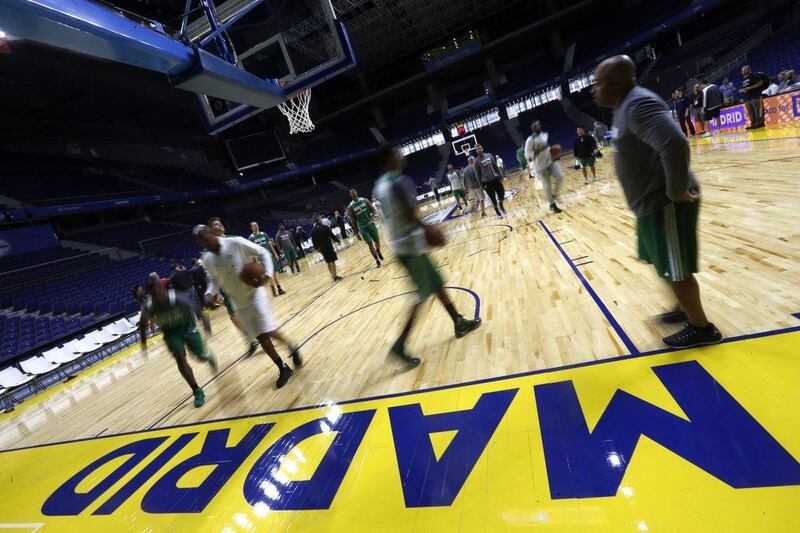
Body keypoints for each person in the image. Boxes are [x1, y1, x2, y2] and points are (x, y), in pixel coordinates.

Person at [592, 54, 723, 348]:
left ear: (617, 83)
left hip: (665, 204)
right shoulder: (624, 106)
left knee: (676, 269)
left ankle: (701, 328)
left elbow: (675, 142)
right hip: (650, 206)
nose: (593, 89)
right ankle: (682, 307)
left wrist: (676, 191)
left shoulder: (637, 104)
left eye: (598, 83)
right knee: (662, 263)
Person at [372, 144, 482, 365]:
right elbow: (411, 216)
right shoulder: (399, 182)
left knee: (436, 283)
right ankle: (399, 345)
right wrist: (431, 231)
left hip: (398, 245)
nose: (402, 155)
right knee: (420, 296)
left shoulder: (379, 185)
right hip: (410, 246)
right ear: (391, 157)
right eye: (397, 152)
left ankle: (458, 322)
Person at [195, 225, 302, 388]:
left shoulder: (235, 242)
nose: (205, 243)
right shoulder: (208, 259)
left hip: (255, 294)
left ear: (212, 234)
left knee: (267, 330)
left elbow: (263, 252)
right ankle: (283, 367)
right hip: (238, 302)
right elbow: (215, 280)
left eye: (206, 238)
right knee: (260, 336)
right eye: (202, 242)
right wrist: (209, 294)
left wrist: (266, 274)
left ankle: (290, 345)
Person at [138, 273, 218, 408]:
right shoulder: (148, 306)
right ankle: (197, 390)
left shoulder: (177, 297)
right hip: (171, 333)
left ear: (164, 291)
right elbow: (143, 325)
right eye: (154, 296)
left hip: (188, 327)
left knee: (200, 357)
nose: (158, 298)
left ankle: (207, 357)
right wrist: (144, 344)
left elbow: (197, 310)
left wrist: (206, 324)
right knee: (180, 358)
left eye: (159, 294)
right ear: (151, 296)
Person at [207, 217, 258, 358]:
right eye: (214, 226)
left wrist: (255, 271)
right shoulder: (210, 250)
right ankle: (250, 340)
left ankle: (265, 332)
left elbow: (251, 255)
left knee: (252, 311)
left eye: (219, 224)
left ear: (222, 227)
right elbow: (213, 275)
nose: (217, 227)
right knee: (233, 317)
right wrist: (214, 292)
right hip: (228, 288)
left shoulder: (234, 239)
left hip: (244, 283)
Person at [525, 120, 564, 213]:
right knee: (547, 185)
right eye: (535, 125)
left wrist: (556, 154)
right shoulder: (530, 140)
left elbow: (548, 147)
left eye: (538, 124)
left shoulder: (545, 134)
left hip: (550, 160)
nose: (537, 126)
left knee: (560, 176)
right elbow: (528, 155)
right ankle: (552, 204)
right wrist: (537, 151)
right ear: (532, 128)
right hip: (540, 165)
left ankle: (555, 194)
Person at [347, 188, 384, 268]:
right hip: (362, 228)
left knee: (377, 241)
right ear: (350, 195)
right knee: (370, 243)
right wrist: (356, 233)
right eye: (351, 193)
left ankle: (378, 251)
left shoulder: (365, 200)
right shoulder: (350, 207)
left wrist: (371, 220)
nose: (353, 194)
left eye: (354, 192)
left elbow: (374, 211)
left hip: (371, 224)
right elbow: (353, 221)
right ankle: (377, 260)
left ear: (357, 192)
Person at [249, 221, 285, 296]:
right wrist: (257, 261)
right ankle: (274, 290)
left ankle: (279, 289)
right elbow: (252, 251)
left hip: (269, 256)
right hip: (261, 259)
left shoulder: (264, 234)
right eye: (254, 225)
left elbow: (270, 245)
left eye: (257, 225)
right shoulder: (251, 238)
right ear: (251, 228)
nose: (256, 226)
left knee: (274, 273)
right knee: (268, 275)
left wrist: (275, 254)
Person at [474, 145, 506, 218]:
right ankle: (497, 211)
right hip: (487, 182)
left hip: (495, 179)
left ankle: (500, 205)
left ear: (482, 148)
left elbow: (495, 166)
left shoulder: (489, 155)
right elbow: (478, 175)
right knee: (493, 198)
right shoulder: (476, 162)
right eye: (477, 149)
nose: (479, 150)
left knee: (502, 193)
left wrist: (500, 176)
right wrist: (481, 186)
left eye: (480, 148)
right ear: (476, 151)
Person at [311, 215, 342, 282]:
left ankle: (332, 276)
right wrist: (338, 241)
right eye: (320, 218)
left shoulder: (313, 230)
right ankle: (335, 276)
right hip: (328, 246)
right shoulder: (325, 227)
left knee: (328, 262)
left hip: (322, 249)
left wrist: (317, 248)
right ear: (319, 220)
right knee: (332, 261)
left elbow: (314, 241)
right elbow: (332, 235)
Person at [739, 65, 767, 129]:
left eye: (743, 70)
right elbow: (745, 88)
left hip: (755, 96)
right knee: (751, 112)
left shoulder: (754, 75)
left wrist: (749, 88)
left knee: (757, 110)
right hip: (747, 98)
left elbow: (760, 83)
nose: (742, 72)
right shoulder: (743, 80)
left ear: (748, 70)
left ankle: (760, 123)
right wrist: (742, 90)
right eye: (742, 71)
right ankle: (753, 124)